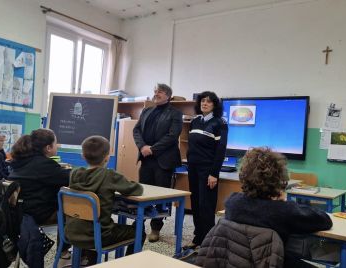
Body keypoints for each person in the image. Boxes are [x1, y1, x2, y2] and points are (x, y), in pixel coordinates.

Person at [225, 147, 333, 268]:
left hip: (236, 261)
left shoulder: (232, 203)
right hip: (271, 261)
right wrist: (283, 201)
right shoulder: (283, 211)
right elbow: (325, 220)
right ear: (278, 180)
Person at [65, 135, 144, 262]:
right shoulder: (110, 176)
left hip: (72, 233)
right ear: (107, 157)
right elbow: (137, 190)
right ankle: (129, 264)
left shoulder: (74, 174)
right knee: (139, 231)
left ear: (83, 156)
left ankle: (90, 261)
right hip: (99, 236)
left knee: (90, 223)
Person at [133, 83, 183, 242]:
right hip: (146, 160)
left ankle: (156, 228)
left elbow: (172, 136)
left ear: (168, 95)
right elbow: (136, 130)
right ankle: (139, 224)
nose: (156, 94)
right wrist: (142, 147)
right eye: (155, 91)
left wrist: (152, 149)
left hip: (164, 161)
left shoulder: (175, 113)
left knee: (161, 197)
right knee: (143, 194)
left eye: (159, 92)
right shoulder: (147, 110)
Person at [184, 91, 228, 250]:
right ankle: (198, 237)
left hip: (207, 170)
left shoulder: (220, 123)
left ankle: (208, 243)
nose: (205, 104)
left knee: (206, 206)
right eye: (203, 101)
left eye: (209, 102)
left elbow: (220, 150)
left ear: (214, 105)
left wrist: (214, 173)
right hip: (193, 169)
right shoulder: (195, 121)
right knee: (195, 204)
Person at [8, 128, 70, 225]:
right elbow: (69, 178)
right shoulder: (43, 165)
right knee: (76, 213)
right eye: (55, 143)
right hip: (39, 215)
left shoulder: (21, 161)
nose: (57, 146)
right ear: (48, 148)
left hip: (21, 213)